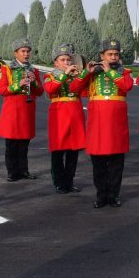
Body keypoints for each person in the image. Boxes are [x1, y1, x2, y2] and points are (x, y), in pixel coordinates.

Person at [86, 39, 134, 208]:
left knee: (116, 163)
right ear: (102, 55)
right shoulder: (93, 73)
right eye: (109, 54)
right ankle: (101, 196)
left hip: (117, 123)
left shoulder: (124, 72)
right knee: (98, 163)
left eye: (116, 54)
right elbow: (75, 88)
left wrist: (111, 72)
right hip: (98, 123)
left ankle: (113, 196)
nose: (113, 57)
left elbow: (127, 86)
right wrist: (86, 72)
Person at [0, 38, 44, 182]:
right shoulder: (6, 69)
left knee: (24, 144)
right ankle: (12, 172)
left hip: (27, 112)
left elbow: (40, 92)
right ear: (15, 53)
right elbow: (2, 90)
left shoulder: (33, 70)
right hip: (12, 112)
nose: (26, 54)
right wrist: (19, 84)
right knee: (11, 145)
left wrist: (34, 81)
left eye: (28, 51)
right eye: (23, 51)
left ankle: (24, 171)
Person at [44, 44, 89, 193]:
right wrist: (64, 75)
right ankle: (59, 183)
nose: (66, 63)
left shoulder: (74, 76)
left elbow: (83, 92)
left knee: (73, 152)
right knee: (58, 152)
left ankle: (69, 182)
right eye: (62, 60)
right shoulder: (49, 76)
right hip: (59, 116)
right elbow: (50, 89)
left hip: (75, 116)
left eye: (68, 59)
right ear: (55, 63)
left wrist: (83, 75)